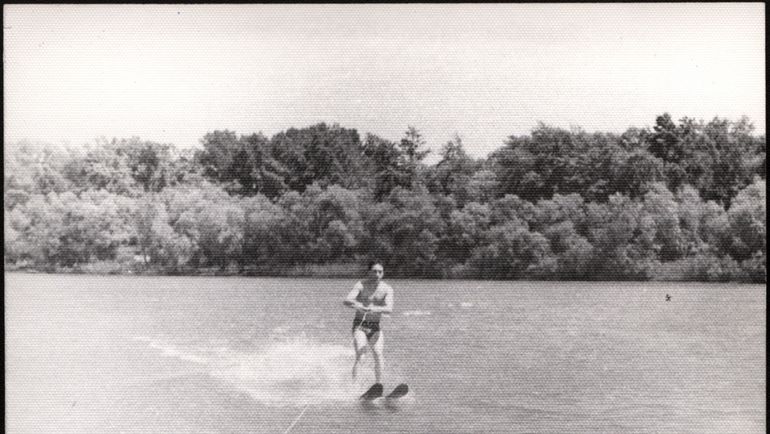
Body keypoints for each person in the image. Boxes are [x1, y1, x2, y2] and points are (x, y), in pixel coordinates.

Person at [343, 261, 393, 384]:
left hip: (375, 327)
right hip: (360, 325)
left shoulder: (387, 289)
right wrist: (359, 305)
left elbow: (389, 309)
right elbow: (347, 300)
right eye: (374, 271)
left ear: (383, 273)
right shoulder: (361, 285)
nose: (377, 274)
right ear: (369, 272)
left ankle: (378, 385)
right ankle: (354, 387)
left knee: (378, 354)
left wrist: (374, 309)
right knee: (361, 354)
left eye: (380, 272)